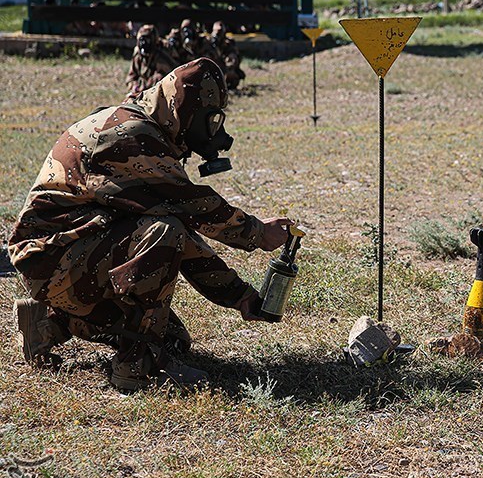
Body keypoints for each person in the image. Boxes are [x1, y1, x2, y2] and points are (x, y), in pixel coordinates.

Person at [9, 58, 292, 391]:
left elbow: (183, 229)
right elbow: (192, 207)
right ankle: (137, 366)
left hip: (68, 257)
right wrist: (258, 232)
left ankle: (49, 323)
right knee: (163, 232)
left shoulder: (146, 128)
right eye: (209, 118)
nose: (212, 129)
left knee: (172, 339)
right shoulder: (132, 134)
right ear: (183, 109)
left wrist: (238, 296)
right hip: (50, 258)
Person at [125, 24, 179, 97]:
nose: (143, 43)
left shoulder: (162, 53)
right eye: (141, 40)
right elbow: (131, 77)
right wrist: (134, 86)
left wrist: (142, 89)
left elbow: (161, 79)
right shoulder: (138, 54)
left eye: (147, 40)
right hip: (141, 91)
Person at [208, 21, 246, 90]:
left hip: (224, 67)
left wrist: (230, 70)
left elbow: (233, 57)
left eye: (220, 32)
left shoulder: (228, 42)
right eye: (217, 32)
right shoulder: (207, 42)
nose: (218, 35)